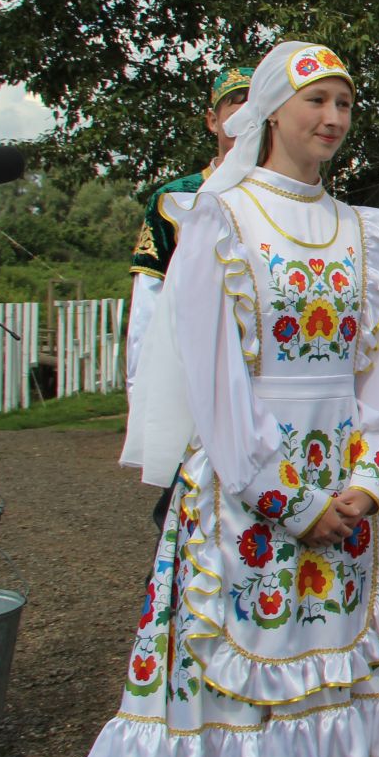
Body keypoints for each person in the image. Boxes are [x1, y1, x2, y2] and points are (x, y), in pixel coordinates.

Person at [78, 41, 379, 757]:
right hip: (250, 499)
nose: (334, 119)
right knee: (237, 706)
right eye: (318, 102)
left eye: (345, 103)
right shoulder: (220, 220)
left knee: (310, 705)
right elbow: (214, 378)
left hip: (343, 496)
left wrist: (371, 482)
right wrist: (287, 499)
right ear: (272, 110)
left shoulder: (366, 233)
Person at [124, 64, 251, 523]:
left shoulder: (287, 197)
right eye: (235, 102)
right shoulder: (177, 199)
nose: (245, 114)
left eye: (258, 104)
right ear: (213, 120)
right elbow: (149, 302)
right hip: (193, 376)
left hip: (263, 381)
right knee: (188, 511)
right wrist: (144, 395)